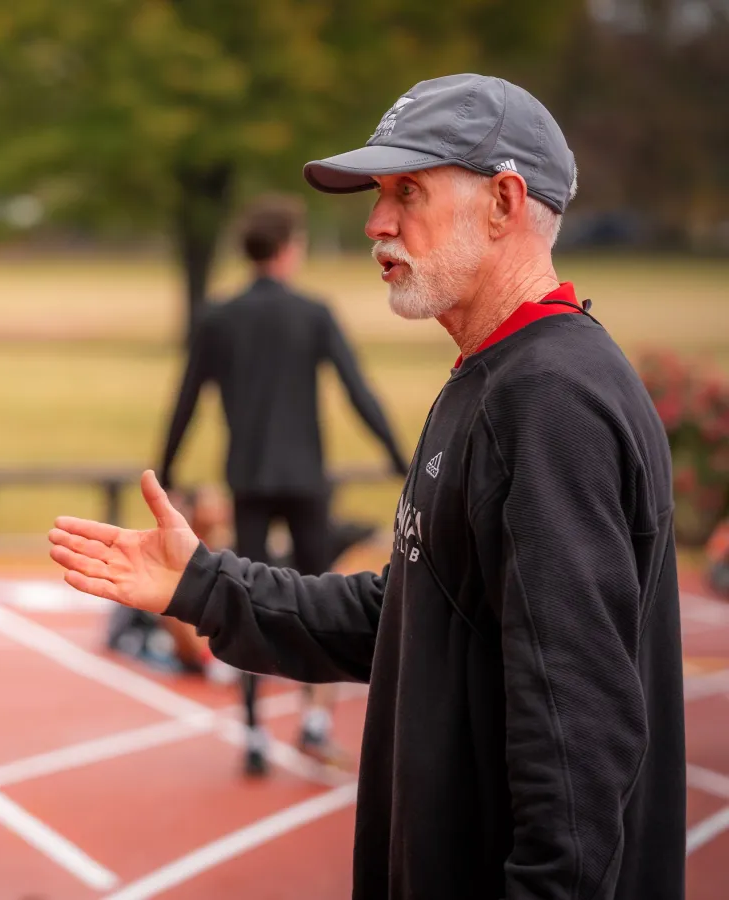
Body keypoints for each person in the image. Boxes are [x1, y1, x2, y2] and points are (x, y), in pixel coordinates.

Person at [50, 74, 684, 900]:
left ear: (504, 202)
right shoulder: (493, 379)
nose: (376, 222)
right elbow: (410, 617)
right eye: (379, 194)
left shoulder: (549, 400)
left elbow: (580, 740)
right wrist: (202, 584)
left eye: (408, 191)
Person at [158, 194, 407, 776]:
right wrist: (400, 457)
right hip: (305, 480)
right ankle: (313, 723)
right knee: (318, 599)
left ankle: (250, 732)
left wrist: (166, 470)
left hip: (249, 479)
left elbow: (187, 399)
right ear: (289, 248)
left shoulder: (219, 316)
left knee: (243, 596)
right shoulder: (313, 312)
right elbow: (357, 390)